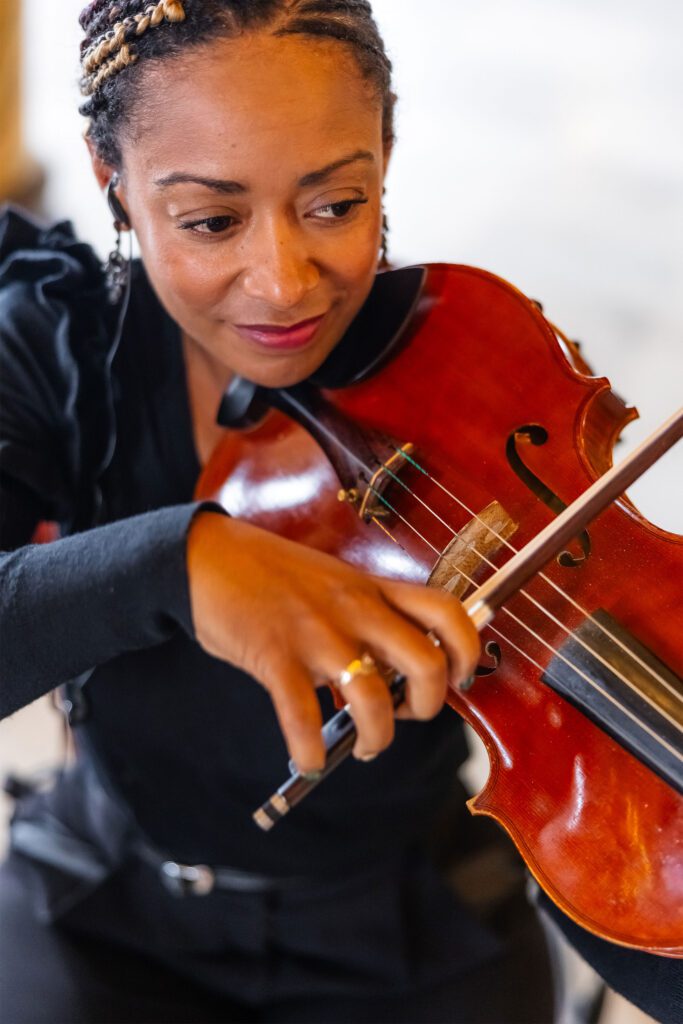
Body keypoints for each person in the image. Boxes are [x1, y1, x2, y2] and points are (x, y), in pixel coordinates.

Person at [0, 2, 679, 1022]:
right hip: (105, 909)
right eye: (210, 221)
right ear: (117, 187)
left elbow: (610, 842)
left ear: (385, 155)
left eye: (334, 203)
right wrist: (176, 566)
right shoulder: (50, 351)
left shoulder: (476, 361)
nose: (282, 285)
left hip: (415, 936)